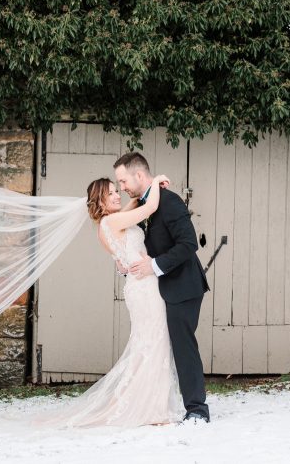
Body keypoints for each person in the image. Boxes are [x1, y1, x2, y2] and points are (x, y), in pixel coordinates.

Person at [33, 172, 185, 427]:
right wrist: (155, 180)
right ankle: (151, 409)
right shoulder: (113, 223)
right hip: (145, 287)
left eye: (117, 190)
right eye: (111, 193)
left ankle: (146, 403)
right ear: (100, 202)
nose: (117, 195)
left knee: (146, 345)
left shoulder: (105, 227)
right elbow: (151, 206)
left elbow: (131, 214)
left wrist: (138, 194)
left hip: (136, 287)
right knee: (154, 344)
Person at [114, 152, 210, 423]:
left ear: (139, 176)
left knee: (183, 346)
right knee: (161, 347)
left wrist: (154, 265)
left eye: (123, 181)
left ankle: (198, 411)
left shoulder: (170, 202)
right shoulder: (143, 204)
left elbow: (188, 243)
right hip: (159, 288)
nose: (122, 188)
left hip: (183, 286)